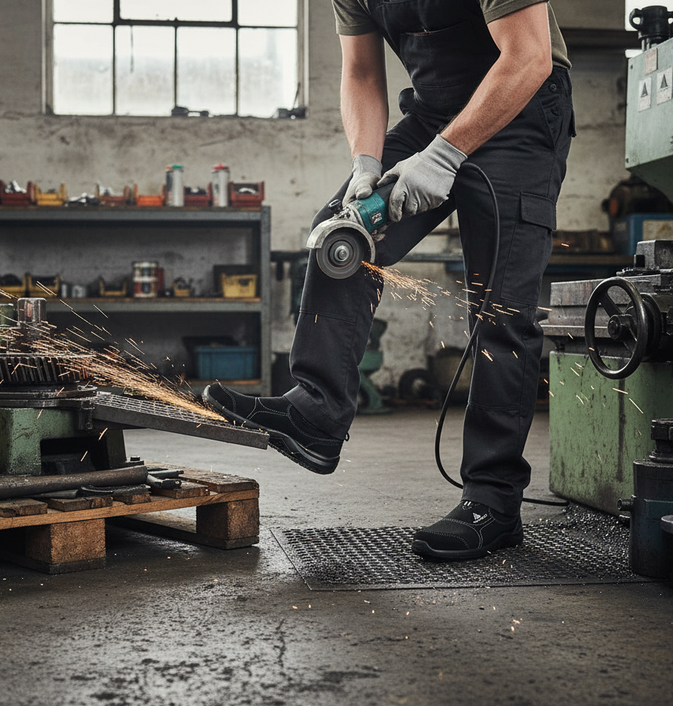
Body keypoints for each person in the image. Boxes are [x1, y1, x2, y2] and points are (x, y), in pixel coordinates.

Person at [205, 0, 574, 561]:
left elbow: (527, 57)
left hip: (522, 110)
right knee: (341, 238)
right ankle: (317, 409)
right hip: (433, 112)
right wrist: (365, 162)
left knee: (500, 308)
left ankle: (492, 501)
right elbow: (360, 72)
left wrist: (445, 156)